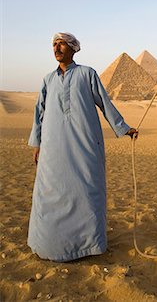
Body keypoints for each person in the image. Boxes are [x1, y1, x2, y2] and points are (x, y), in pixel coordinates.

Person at [28, 32, 137, 262]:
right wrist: (37, 143)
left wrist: (123, 127)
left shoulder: (87, 74)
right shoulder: (48, 79)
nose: (57, 48)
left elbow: (104, 103)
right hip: (52, 146)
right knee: (51, 191)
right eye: (54, 44)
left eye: (62, 44)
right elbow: (39, 113)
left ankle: (88, 245)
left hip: (84, 143)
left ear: (73, 48)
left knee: (87, 189)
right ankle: (49, 244)